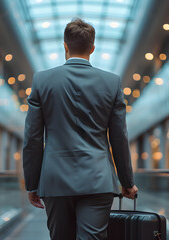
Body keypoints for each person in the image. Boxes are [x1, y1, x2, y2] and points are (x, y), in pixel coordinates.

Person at [22, 18, 138, 240]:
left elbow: (32, 139)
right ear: (92, 48)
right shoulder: (111, 82)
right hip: (98, 179)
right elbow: (119, 138)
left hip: (55, 180)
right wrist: (127, 182)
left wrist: (32, 184)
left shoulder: (42, 80)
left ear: (65, 46)